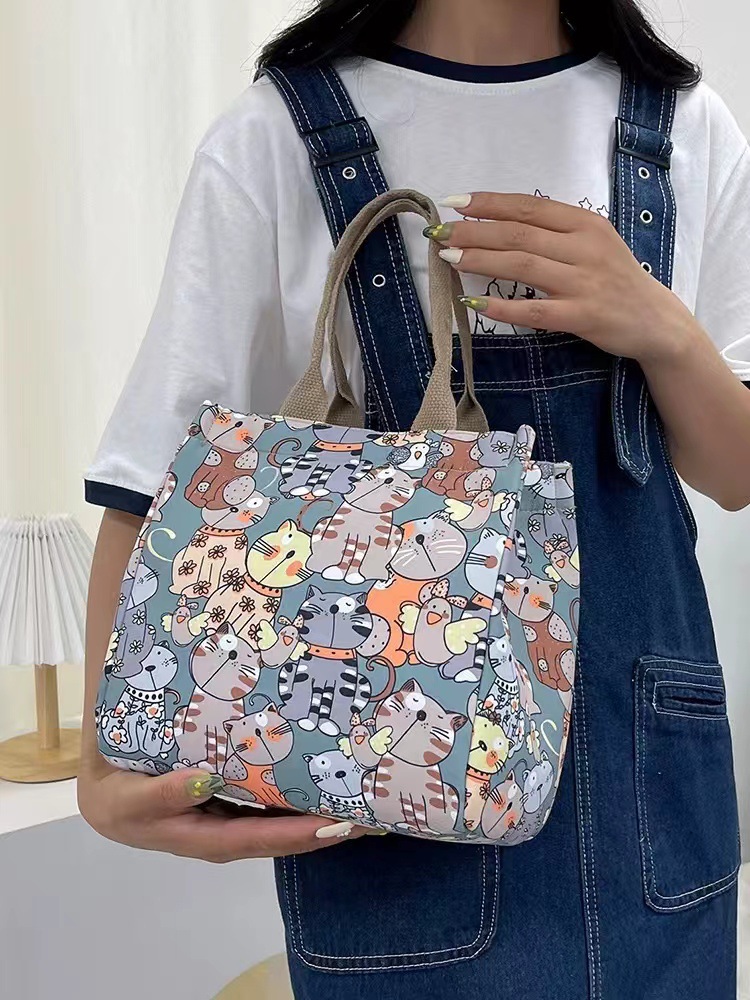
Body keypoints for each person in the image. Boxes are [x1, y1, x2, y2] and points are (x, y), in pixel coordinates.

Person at [79, 1, 749, 997]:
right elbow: (152, 482)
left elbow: (734, 473)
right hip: (400, 828)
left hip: (648, 795)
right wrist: (101, 770)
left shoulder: (684, 127)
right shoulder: (274, 140)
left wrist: (664, 331)